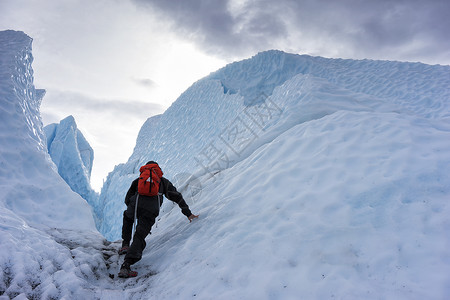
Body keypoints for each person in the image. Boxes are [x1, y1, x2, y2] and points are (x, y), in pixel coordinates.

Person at [118, 161, 198, 278]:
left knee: (127, 217)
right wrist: (188, 213)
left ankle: (125, 244)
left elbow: (127, 198)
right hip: (151, 210)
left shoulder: (139, 180)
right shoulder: (162, 181)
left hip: (135, 204)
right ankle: (126, 265)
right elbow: (177, 197)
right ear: (158, 170)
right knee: (140, 235)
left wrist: (132, 207)